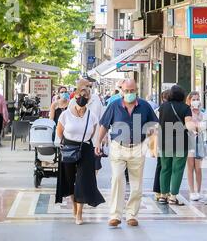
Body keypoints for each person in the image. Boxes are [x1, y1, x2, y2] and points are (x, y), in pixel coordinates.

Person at [95, 79, 158, 227]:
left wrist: (152, 139)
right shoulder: (114, 105)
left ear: (136, 90)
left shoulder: (145, 106)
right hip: (118, 147)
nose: (130, 94)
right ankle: (115, 215)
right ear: (121, 91)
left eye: (132, 91)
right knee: (117, 178)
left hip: (138, 147)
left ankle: (131, 215)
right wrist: (98, 142)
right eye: (127, 91)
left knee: (136, 183)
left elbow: (154, 125)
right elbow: (104, 125)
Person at [55, 87, 105, 225]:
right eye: (79, 95)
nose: (82, 98)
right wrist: (68, 143)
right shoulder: (65, 115)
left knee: (82, 181)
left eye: (85, 96)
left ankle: (79, 212)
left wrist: (97, 146)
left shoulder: (92, 116)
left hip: (85, 149)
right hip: (69, 148)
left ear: (88, 99)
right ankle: (74, 205)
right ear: (74, 97)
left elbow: (93, 133)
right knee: (70, 180)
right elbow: (59, 132)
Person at [157, 85, 196, 206]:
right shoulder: (185, 108)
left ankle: (163, 196)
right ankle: (173, 197)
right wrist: (194, 129)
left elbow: (158, 124)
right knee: (177, 169)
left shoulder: (163, 106)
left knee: (165, 168)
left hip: (164, 140)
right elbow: (189, 124)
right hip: (180, 141)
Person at [69, 79, 104, 173]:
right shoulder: (73, 102)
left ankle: (92, 186)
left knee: (95, 168)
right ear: (79, 87)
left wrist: (104, 137)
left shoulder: (96, 99)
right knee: (80, 168)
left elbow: (102, 119)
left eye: (90, 86)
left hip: (95, 140)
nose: (88, 88)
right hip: (77, 142)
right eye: (86, 86)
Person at [152, 89, 171, 201]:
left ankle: (159, 191)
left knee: (161, 166)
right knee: (166, 166)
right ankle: (164, 191)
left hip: (162, 141)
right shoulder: (160, 110)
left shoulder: (158, 110)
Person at [186, 91, 204, 201]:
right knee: (190, 167)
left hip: (199, 141)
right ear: (189, 101)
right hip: (189, 141)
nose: (196, 101)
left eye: (197, 99)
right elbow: (188, 126)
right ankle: (192, 191)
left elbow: (205, 125)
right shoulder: (187, 112)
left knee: (198, 168)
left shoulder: (202, 112)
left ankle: (198, 190)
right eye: (194, 99)